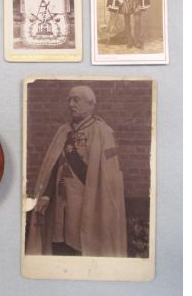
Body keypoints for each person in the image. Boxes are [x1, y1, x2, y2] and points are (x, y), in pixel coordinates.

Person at [26, 86, 127, 257]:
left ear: (91, 104)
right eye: (69, 100)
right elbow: (54, 166)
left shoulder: (102, 132)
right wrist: (46, 195)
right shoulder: (63, 131)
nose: (71, 104)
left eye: (76, 100)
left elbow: (108, 176)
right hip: (60, 201)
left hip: (90, 201)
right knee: (60, 242)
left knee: (83, 244)